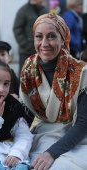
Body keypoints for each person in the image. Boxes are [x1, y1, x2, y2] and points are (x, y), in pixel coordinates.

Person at [19, 13, 87, 169]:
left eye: (51, 36)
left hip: (78, 137)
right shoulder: (29, 69)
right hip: (45, 134)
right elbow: (25, 115)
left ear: (63, 39)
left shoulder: (81, 72)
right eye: (38, 37)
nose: (44, 43)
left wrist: (51, 153)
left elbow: (83, 124)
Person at [13, 0, 47, 76]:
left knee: (40, 75)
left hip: (42, 49)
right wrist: (27, 45)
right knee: (25, 75)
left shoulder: (44, 10)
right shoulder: (23, 10)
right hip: (26, 51)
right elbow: (17, 29)